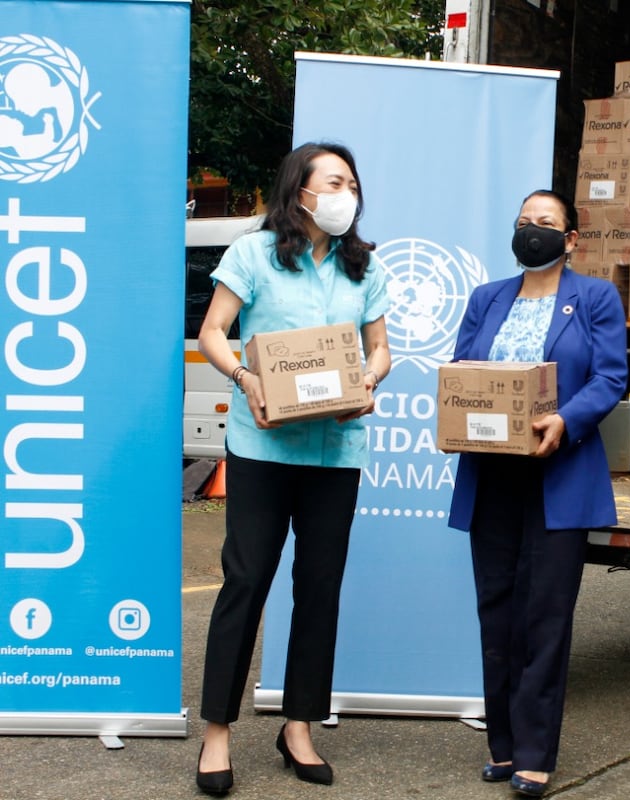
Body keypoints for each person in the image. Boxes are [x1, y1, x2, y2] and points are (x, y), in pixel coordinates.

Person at [193, 142, 392, 795]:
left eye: (352, 184)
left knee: (320, 586)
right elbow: (214, 332)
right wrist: (246, 377)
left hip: (335, 452)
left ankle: (298, 726)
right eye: (333, 181)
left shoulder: (364, 266)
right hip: (262, 447)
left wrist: (367, 380)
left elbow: (380, 349)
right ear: (299, 190)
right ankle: (217, 733)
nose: (346, 193)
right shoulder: (253, 253)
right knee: (245, 581)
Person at [447, 189, 628, 797]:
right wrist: (458, 419)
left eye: (547, 224)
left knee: (544, 616)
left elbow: (609, 377)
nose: (534, 231)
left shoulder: (595, 297)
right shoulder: (486, 298)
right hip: (492, 475)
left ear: (570, 239)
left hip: (560, 475)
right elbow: (461, 373)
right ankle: (502, 745)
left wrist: (566, 420)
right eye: (525, 222)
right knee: (496, 611)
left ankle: (535, 752)